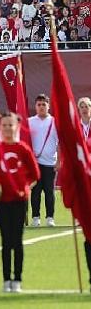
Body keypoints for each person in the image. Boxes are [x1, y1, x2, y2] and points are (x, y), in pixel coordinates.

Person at [0, 113, 40, 293]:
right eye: (4, 125)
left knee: (17, 241)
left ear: (16, 127)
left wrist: (24, 188)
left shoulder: (23, 149)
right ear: (0, 128)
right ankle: (6, 279)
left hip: (19, 201)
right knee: (5, 241)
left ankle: (17, 278)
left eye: (10, 125)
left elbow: (35, 175)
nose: (7, 129)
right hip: (2, 201)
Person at [28, 94, 58, 227]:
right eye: (39, 104)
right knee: (35, 191)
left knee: (49, 191)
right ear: (35, 106)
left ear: (48, 106)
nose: (41, 107)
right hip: (34, 163)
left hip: (50, 162)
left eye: (44, 104)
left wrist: (59, 161)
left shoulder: (54, 122)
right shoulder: (29, 121)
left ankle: (50, 217)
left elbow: (61, 142)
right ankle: (35, 217)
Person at [77, 97, 91, 290]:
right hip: (84, 178)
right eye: (81, 106)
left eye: (87, 106)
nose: (84, 109)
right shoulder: (75, 126)